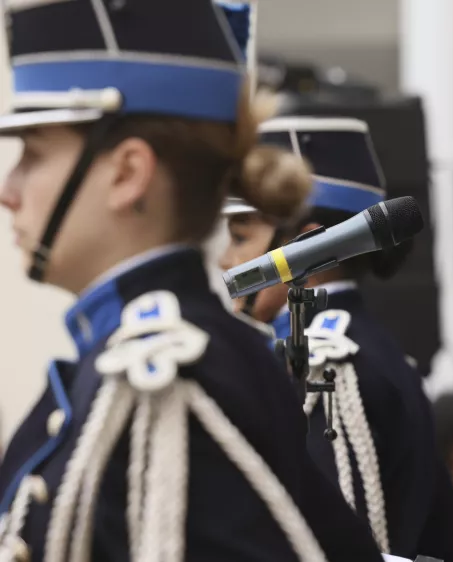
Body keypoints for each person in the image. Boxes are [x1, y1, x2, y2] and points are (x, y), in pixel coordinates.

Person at [0, 1, 384, 560]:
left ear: (128, 173)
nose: (8, 188)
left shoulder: (165, 384)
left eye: (33, 155)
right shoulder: (156, 363)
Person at [219, 116, 453, 561]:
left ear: (306, 247)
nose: (226, 259)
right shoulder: (360, 346)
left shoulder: (329, 365)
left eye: (241, 236)